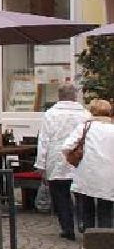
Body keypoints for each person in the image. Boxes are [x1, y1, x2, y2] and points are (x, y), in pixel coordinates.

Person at [36, 82, 89, 240]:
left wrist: (41, 164)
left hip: (56, 157)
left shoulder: (50, 114)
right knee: (82, 194)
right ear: (75, 96)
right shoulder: (85, 114)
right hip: (79, 158)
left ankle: (67, 228)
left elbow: (43, 140)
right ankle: (83, 223)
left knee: (60, 195)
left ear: (59, 96)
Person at [64, 99, 114, 230]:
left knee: (87, 207)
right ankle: (105, 237)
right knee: (106, 210)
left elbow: (66, 146)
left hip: (87, 172)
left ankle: (88, 235)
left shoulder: (85, 127)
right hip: (109, 175)